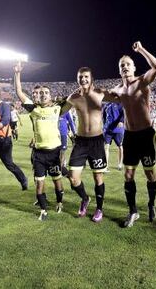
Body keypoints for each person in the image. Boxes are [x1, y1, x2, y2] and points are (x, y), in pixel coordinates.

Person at [110, 41, 156, 227]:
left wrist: (140, 50)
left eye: (127, 64)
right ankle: (133, 211)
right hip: (130, 136)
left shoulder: (142, 81)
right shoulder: (117, 90)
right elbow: (100, 95)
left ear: (134, 68)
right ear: (119, 70)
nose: (124, 67)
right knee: (128, 175)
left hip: (146, 135)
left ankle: (151, 203)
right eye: (121, 65)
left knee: (150, 174)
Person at [64, 67, 119, 222]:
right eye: (80, 77)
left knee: (98, 176)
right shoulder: (73, 97)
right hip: (80, 142)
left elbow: (120, 99)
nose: (83, 79)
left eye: (86, 76)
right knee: (73, 178)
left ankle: (99, 209)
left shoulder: (100, 92)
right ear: (77, 79)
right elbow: (59, 111)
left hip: (96, 141)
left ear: (91, 78)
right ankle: (85, 198)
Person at [14, 63, 67, 220]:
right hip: (39, 154)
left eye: (46, 92)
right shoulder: (33, 109)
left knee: (57, 181)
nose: (43, 94)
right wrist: (17, 73)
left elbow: (73, 100)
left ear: (50, 96)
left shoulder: (58, 108)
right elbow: (19, 92)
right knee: (39, 183)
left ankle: (59, 202)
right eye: (41, 92)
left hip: (55, 152)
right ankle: (43, 210)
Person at [102, 102, 125, 172]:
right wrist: (104, 126)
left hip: (118, 130)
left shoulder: (120, 104)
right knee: (106, 146)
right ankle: (106, 166)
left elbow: (123, 113)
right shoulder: (106, 105)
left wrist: (121, 121)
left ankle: (120, 164)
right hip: (108, 129)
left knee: (120, 146)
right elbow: (104, 116)